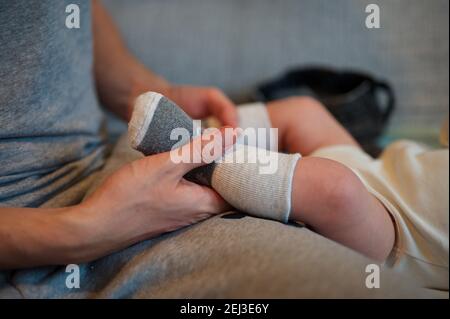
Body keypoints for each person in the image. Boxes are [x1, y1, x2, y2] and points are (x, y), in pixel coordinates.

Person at [0, 0, 447, 296]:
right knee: (319, 150)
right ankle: (208, 154)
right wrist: (80, 231)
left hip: (387, 222)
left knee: (325, 165)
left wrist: (146, 87)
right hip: (44, 235)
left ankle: (205, 149)